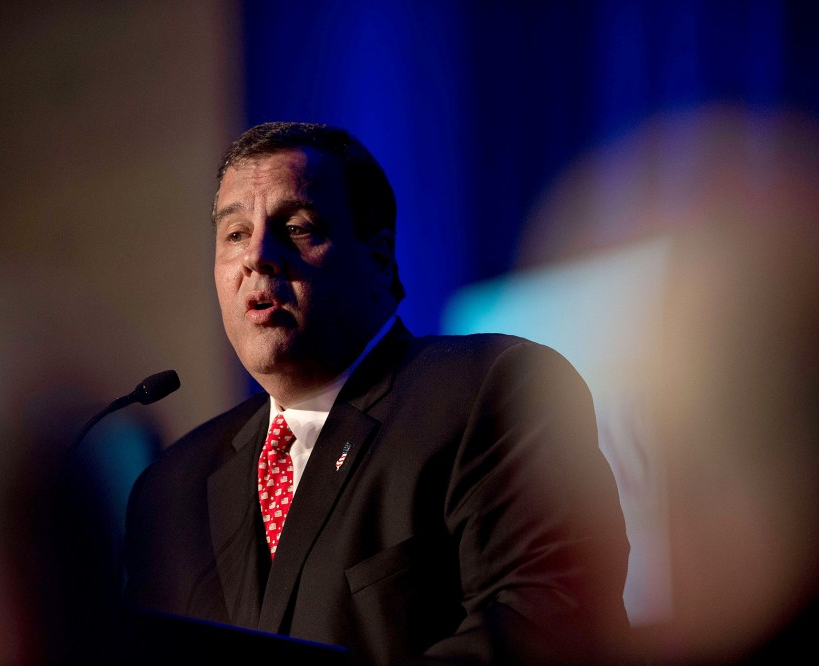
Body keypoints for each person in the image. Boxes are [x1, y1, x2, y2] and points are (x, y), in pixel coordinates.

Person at [122, 122, 630, 664]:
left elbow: (546, 624)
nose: (258, 256)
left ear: (379, 261)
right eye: (235, 234)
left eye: (296, 227)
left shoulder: (496, 390)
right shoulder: (171, 490)